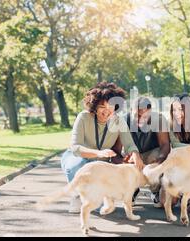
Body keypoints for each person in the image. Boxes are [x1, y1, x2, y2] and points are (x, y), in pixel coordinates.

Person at [60, 82, 144, 213]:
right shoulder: (83, 117)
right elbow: (75, 147)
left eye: (110, 106)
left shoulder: (118, 120)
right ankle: (77, 195)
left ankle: (96, 196)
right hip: (77, 157)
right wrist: (98, 153)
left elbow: (129, 144)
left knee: (97, 205)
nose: (106, 111)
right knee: (76, 166)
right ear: (94, 106)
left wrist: (135, 154)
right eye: (101, 107)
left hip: (100, 160)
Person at [126, 97, 171, 206]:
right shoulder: (123, 120)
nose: (140, 119)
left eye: (144, 116)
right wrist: (130, 156)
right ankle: (133, 189)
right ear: (131, 111)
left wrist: (159, 162)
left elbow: (165, 144)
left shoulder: (158, 119)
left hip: (152, 153)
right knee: (126, 159)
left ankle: (155, 190)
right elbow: (119, 147)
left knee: (156, 156)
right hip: (133, 153)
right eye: (137, 115)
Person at [166, 93, 190, 209]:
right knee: (167, 201)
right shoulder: (170, 124)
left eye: (181, 109)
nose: (177, 114)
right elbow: (174, 143)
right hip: (182, 158)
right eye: (174, 110)